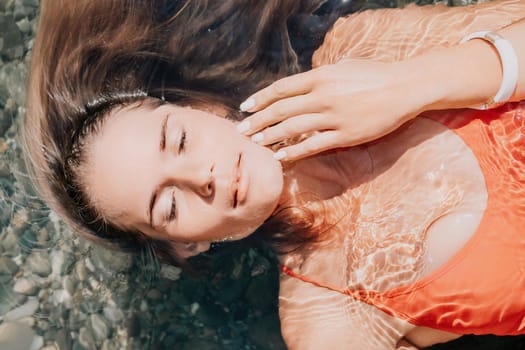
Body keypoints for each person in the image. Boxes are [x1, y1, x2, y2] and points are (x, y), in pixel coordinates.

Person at [22, 0, 525, 349]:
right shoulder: (330, 318)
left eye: (178, 140)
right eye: (169, 205)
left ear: (205, 107)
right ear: (186, 246)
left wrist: (410, 85)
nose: (203, 177)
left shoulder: (357, 55)